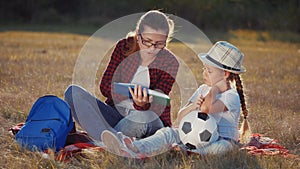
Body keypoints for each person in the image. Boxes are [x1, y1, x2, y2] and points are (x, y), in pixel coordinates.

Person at [101, 41, 248, 157]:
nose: (204, 73)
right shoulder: (203, 89)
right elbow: (181, 117)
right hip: (194, 136)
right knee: (168, 132)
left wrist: (216, 88)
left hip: (222, 140)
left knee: (219, 148)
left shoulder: (231, 96)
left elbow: (206, 109)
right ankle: (131, 147)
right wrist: (191, 107)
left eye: (209, 71)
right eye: (204, 68)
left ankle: (186, 151)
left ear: (226, 74)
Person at [64, 10, 179, 141]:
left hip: (148, 119)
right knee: (73, 92)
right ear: (138, 35)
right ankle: (112, 139)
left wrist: (140, 105)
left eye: (159, 44)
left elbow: (159, 103)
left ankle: (103, 139)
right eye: (147, 41)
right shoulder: (123, 47)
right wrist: (129, 94)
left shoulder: (170, 62)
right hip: (117, 114)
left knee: (141, 117)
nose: (152, 48)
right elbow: (105, 86)